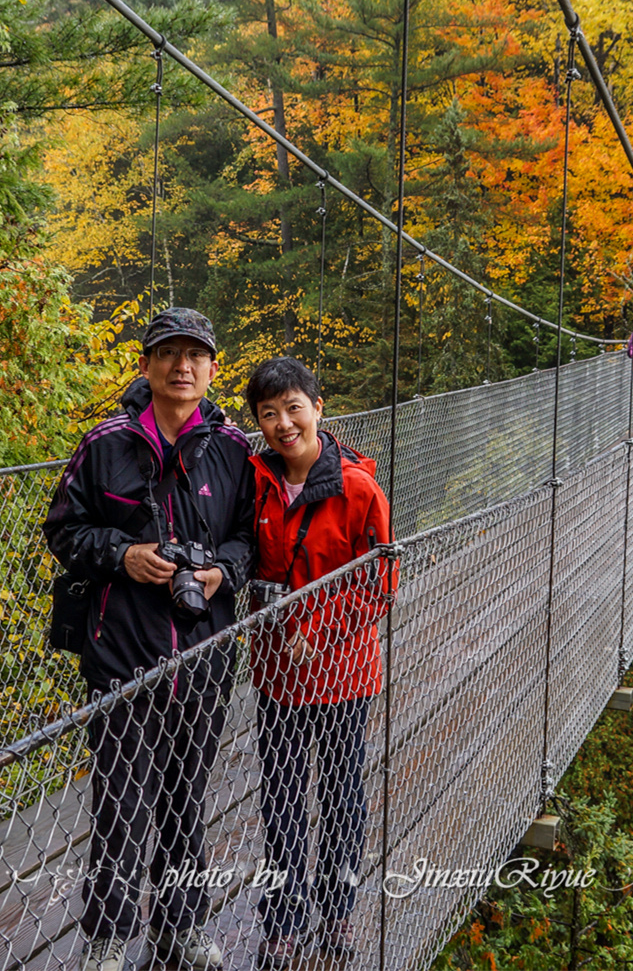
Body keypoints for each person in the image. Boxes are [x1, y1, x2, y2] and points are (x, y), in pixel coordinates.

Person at [42, 308, 255, 971]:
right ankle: (108, 937)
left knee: (186, 797)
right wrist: (123, 554)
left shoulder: (235, 449)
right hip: (121, 649)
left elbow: (254, 537)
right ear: (146, 364)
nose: (182, 365)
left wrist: (226, 569)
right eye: (168, 353)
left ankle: (179, 926)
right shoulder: (106, 441)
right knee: (121, 799)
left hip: (203, 651)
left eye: (196, 354)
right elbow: (63, 529)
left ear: (213, 369)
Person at [243, 357, 393, 969]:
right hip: (277, 674)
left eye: (293, 408)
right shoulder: (252, 481)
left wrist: (320, 629)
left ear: (318, 408)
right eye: (269, 414)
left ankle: (334, 915)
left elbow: (381, 577)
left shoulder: (358, 488)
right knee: (279, 801)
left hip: (343, 675)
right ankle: (282, 919)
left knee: (339, 797)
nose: (283, 424)